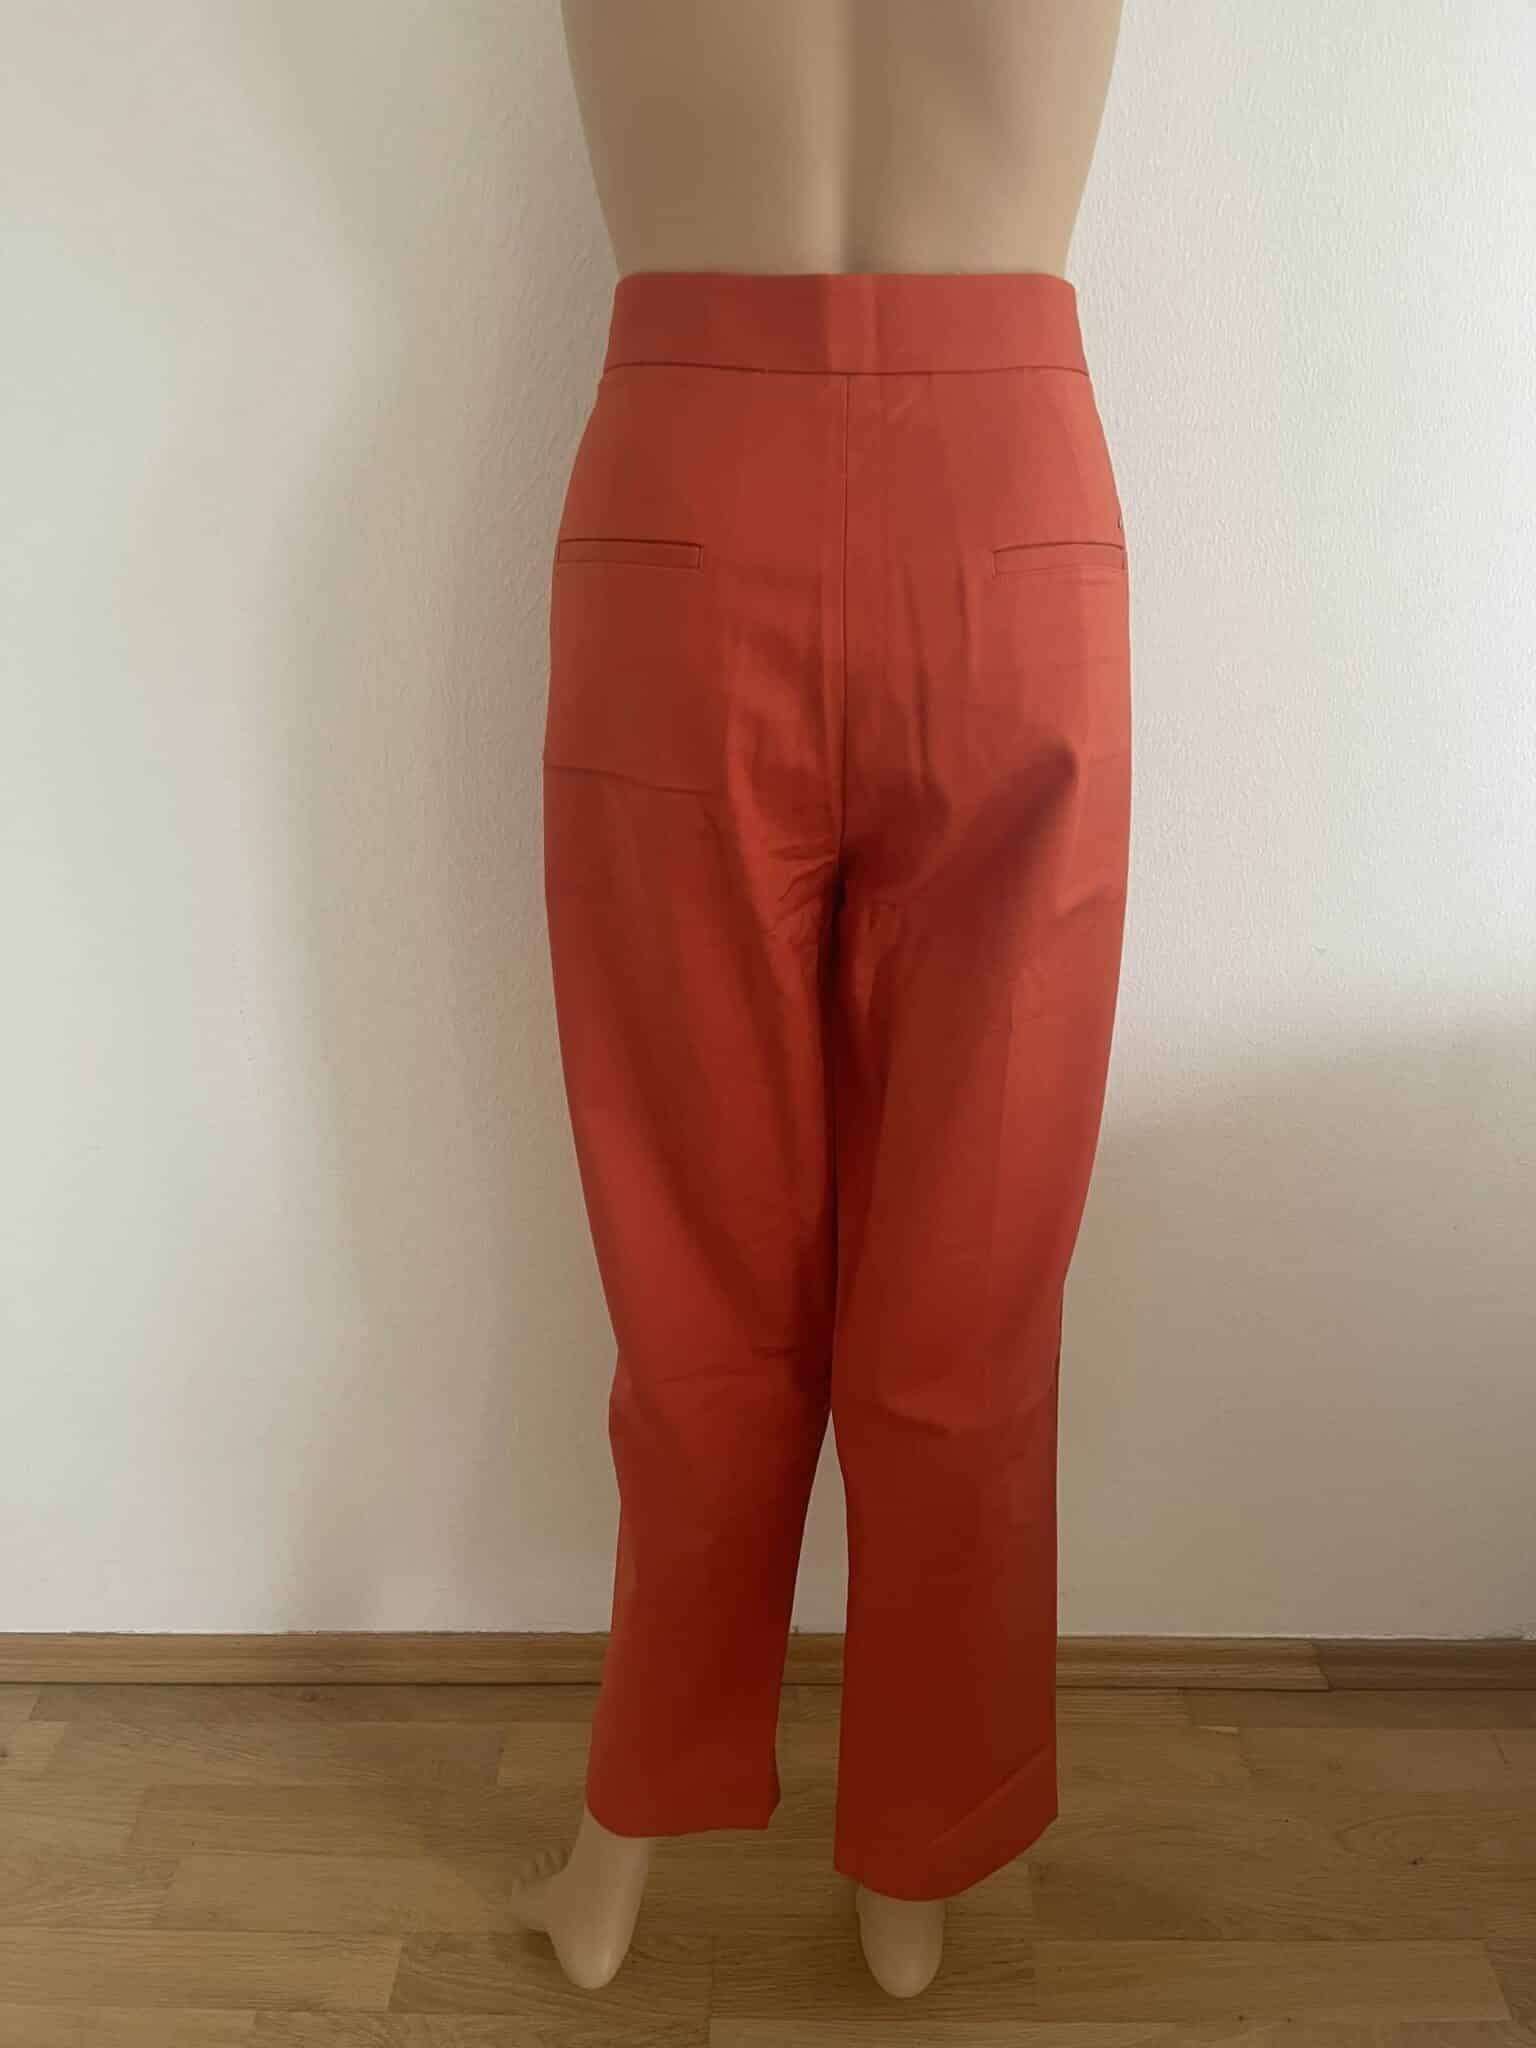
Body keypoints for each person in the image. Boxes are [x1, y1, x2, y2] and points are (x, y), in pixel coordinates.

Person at [514, 0, 1130, 2000]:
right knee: (975, 1257)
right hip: (1005, 518)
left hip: (686, 501)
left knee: (691, 1244)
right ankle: (914, 1861)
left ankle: (624, 1840)